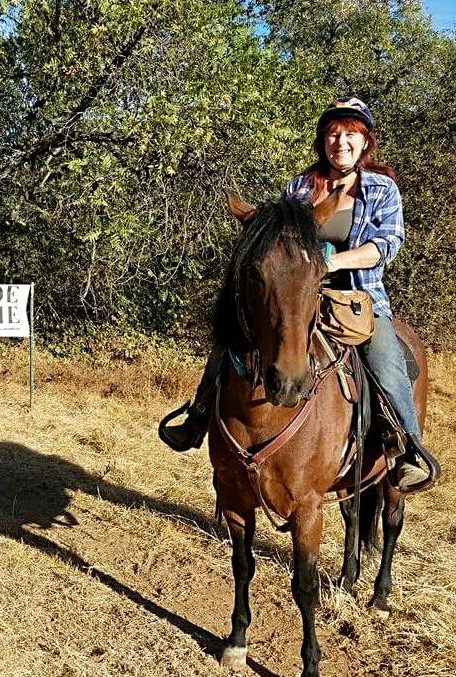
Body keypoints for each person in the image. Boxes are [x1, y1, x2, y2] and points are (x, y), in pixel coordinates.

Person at [159, 97, 436, 491]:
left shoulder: (381, 188)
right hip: (298, 295)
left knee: (385, 359)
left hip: (358, 299)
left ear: (365, 142)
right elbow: (281, 239)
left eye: (350, 135)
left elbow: (386, 244)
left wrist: (330, 263)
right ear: (323, 141)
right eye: (333, 134)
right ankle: (198, 417)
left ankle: (407, 448)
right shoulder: (301, 187)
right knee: (231, 340)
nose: (341, 142)